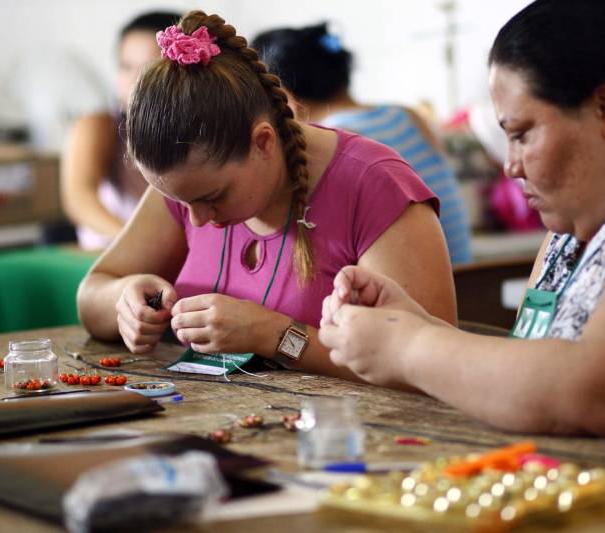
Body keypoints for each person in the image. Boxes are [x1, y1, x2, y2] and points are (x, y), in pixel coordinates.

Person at [319, 0, 605, 444]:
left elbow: (603, 392)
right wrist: (412, 323)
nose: (510, 166)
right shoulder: (575, 224)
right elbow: (534, 367)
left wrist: (409, 348)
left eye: (522, 134)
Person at [77, 11, 456, 380]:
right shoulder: (187, 185)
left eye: (214, 196)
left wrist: (274, 335)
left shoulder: (375, 185)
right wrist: (124, 300)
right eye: (180, 202)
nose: (195, 219)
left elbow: (432, 363)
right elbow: (92, 294)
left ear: (263, 142)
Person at [252, 24, 473, 265]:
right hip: (467, 272)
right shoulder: (406, 114)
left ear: (281, 94)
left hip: (420, 283)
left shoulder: (336, 140)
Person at [61, 11, 180, 250]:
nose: (134, 80)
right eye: (125, 67)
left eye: (148, 68)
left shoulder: (197, 134)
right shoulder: (99, 124)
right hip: (107, 257)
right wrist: (134, 241)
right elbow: (79, 198)